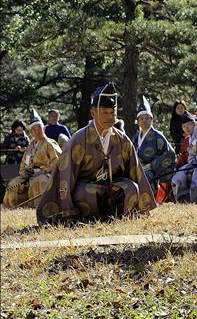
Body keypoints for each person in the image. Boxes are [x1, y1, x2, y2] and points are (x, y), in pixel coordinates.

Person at [35, 83, 155, 224]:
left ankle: (119, 217)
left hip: (112, 186)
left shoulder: (122, 139)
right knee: (86, 192)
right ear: (93, 113)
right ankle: (86, 219)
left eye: (113, 113)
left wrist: (144, 206)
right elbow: (66, 175)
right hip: (85, 187)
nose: (110, 117)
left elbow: (135, 171)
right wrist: (67, 207)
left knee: (131, 188)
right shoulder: (79, 139)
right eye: (105, 113)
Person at [2, 112, 61, 208]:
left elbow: (57, 161)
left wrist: (42, 170)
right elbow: (24, 163)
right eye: (34, 129)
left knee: (38, 181)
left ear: (43, 129)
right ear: (31, 132)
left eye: (39, 128)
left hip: (46, 173)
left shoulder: (49, 143)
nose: (37, 131)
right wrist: (25, 173)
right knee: (14, 183)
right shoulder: (30, 146)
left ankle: (39, 207)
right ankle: (12, 207)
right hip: (30, 174)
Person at [131, 97, 177, 193]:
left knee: (146, 177)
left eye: (147, 118)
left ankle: (147, 203)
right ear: (138, 121)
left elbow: (170, 153)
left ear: (152, 120)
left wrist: (151, 166)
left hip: (155, 170)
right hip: (139, 168)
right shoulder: (136, 137)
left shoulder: (157, 135)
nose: (144, 120)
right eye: (141, 118)